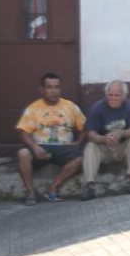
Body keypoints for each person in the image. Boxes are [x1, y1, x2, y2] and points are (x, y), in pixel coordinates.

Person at [15, 72, 85, 206]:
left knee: (81, 159)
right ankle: (30, 193)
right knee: (22, 154)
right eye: (49, 87)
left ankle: (52, 188)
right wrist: (35, 147)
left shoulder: (70, 106)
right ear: (42, 90)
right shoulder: (33, 108)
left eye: (57, 87)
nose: (54, 91)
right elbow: (23, 132)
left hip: (63, 147)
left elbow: (85, 126)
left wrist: (78, 142)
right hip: (41, 147)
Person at [81, 79, 130, 200]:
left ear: (123, 96)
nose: (113, 98)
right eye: (110, 95)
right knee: (90, 146)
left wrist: (122, 133)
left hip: (122, 147)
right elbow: (91, 133)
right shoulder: (98, 107)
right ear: (106, 95)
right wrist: (103, 138)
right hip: (104, 148)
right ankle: (89, 185)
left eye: (117, 95)